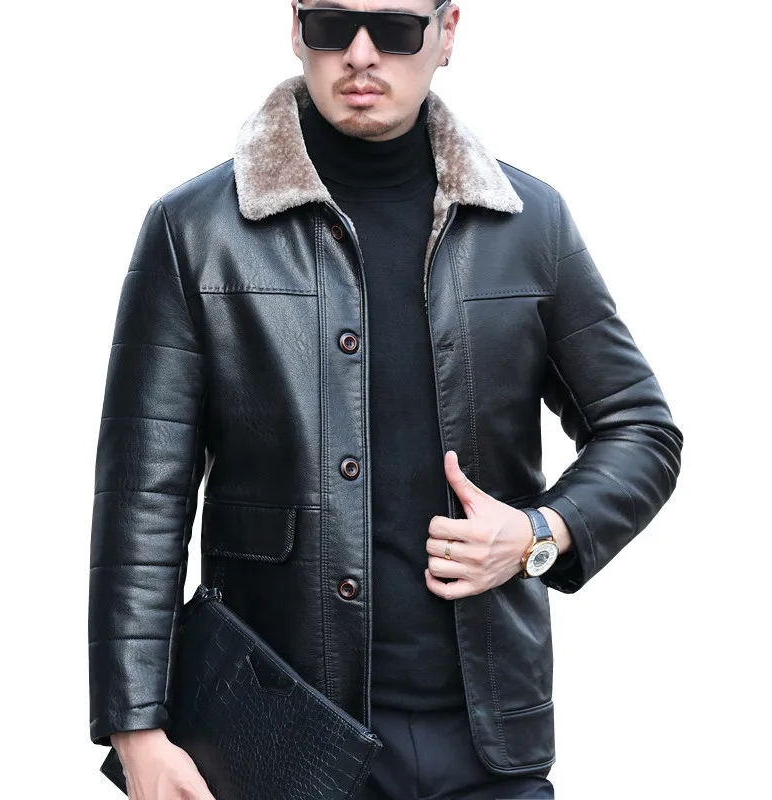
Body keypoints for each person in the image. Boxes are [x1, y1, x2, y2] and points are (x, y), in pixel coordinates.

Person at [88, 1, 683, 798]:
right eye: (333, 24)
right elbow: (142, 498)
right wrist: (137, 730)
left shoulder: (527, 224)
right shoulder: (195, 231)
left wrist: (539, 533)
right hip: (280, 743)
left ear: (447, 33)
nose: (361, 54)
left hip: (488, 748)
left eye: (397, 29)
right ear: (295, 27)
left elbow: (640, 428)